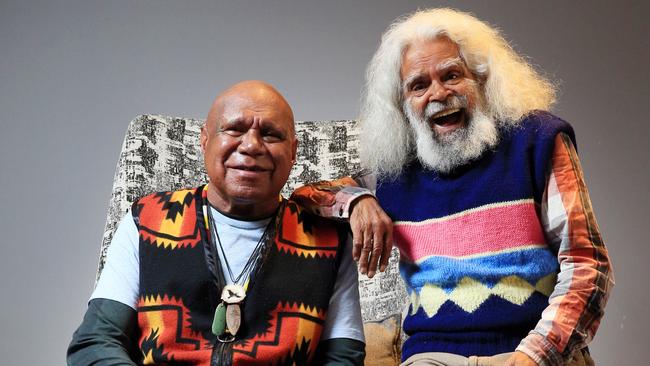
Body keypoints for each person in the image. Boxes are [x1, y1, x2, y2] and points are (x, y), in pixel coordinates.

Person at [292, 8, 613, 366]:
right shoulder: (396, 171)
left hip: (532, 350)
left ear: (482, 79)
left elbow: (588, 266)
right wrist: (358, 202)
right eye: (419, 85)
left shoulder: (536, 140)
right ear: (402, 103)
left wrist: (533, 356)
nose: (439, 93)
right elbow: (304, 197)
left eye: (452, 75)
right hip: (434, 356)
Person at [67, 81, 366, 365]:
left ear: (293, 152)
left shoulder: (328, 241)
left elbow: (343, 358)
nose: (251, 145)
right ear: (205, 140)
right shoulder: (147, 221)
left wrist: (360, 199)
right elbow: (95, 342)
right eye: (234, 129)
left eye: (271, 134)